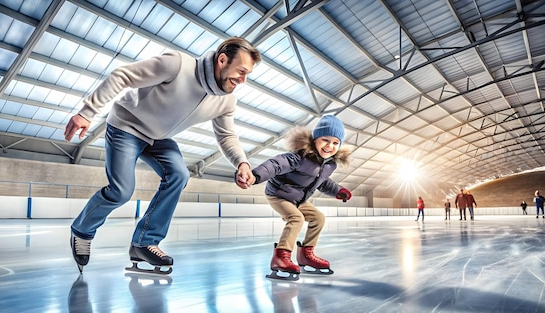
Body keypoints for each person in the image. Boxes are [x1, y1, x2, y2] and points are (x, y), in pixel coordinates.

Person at [63, 37, 262, 273]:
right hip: (127, 126)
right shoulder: (178, 65)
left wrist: (242, 162)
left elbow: (227, 135)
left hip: (158, 138)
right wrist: (88, 112)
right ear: (222, 60)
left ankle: (144, 242)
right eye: (241, 71)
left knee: (179, 174)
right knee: (121, 191)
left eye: (247, 74)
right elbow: (122, 76)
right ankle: (82, 231)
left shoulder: (226, 101)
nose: (243, 79)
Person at [252, 115, 353, 280]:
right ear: (315, 139)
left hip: (298, 199)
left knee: (318, 218)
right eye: (325, 140)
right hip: (279, 194)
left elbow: (323, 182)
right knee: (296, 218)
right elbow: (277, 164)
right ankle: (280, 257)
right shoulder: (300, 157)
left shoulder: (328, 165)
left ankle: (306, 254)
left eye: (335, 143)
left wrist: (338, 191)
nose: (330, 146)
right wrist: (257, 175)